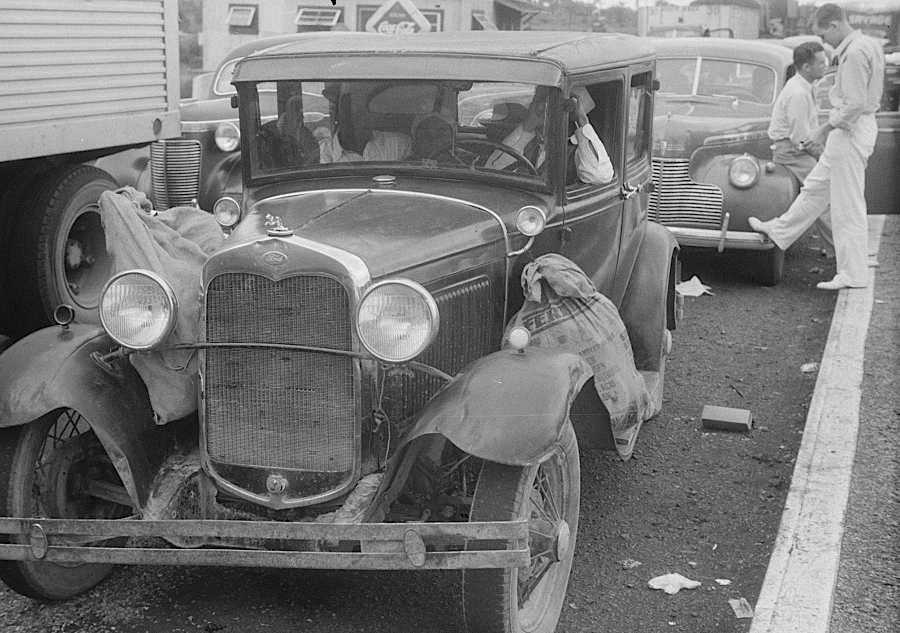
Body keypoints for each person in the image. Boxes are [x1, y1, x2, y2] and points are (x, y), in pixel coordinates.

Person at [749, 4, 884, 290]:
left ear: (834, 25)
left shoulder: (855, 51)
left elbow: (855, 104)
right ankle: (780, 230)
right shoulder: (867, 44)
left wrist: (823, 129)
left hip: (850, 129)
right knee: (815, 190)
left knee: (846, 205)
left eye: (823, 34)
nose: (824, 43)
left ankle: (853, 273)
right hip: (849, 130)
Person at [765, 41, 834, 255]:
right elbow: (801, 139)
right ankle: (841, 250)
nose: (826, 66)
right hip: (792, 153)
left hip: (796, 150)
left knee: (823, 197)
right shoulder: (798, 93)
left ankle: (837, 248)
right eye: (821, 63)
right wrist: (823, 157)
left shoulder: (803, 88)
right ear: (806, 67)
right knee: (824, 194)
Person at [486, 85, 614, 185]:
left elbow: (600, 175)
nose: (542, 108)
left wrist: (582, 121)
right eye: (538, 101)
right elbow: (492, 169)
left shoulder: (578, 151)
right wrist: (527, 127)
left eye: (552, 103)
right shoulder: (529, 141)